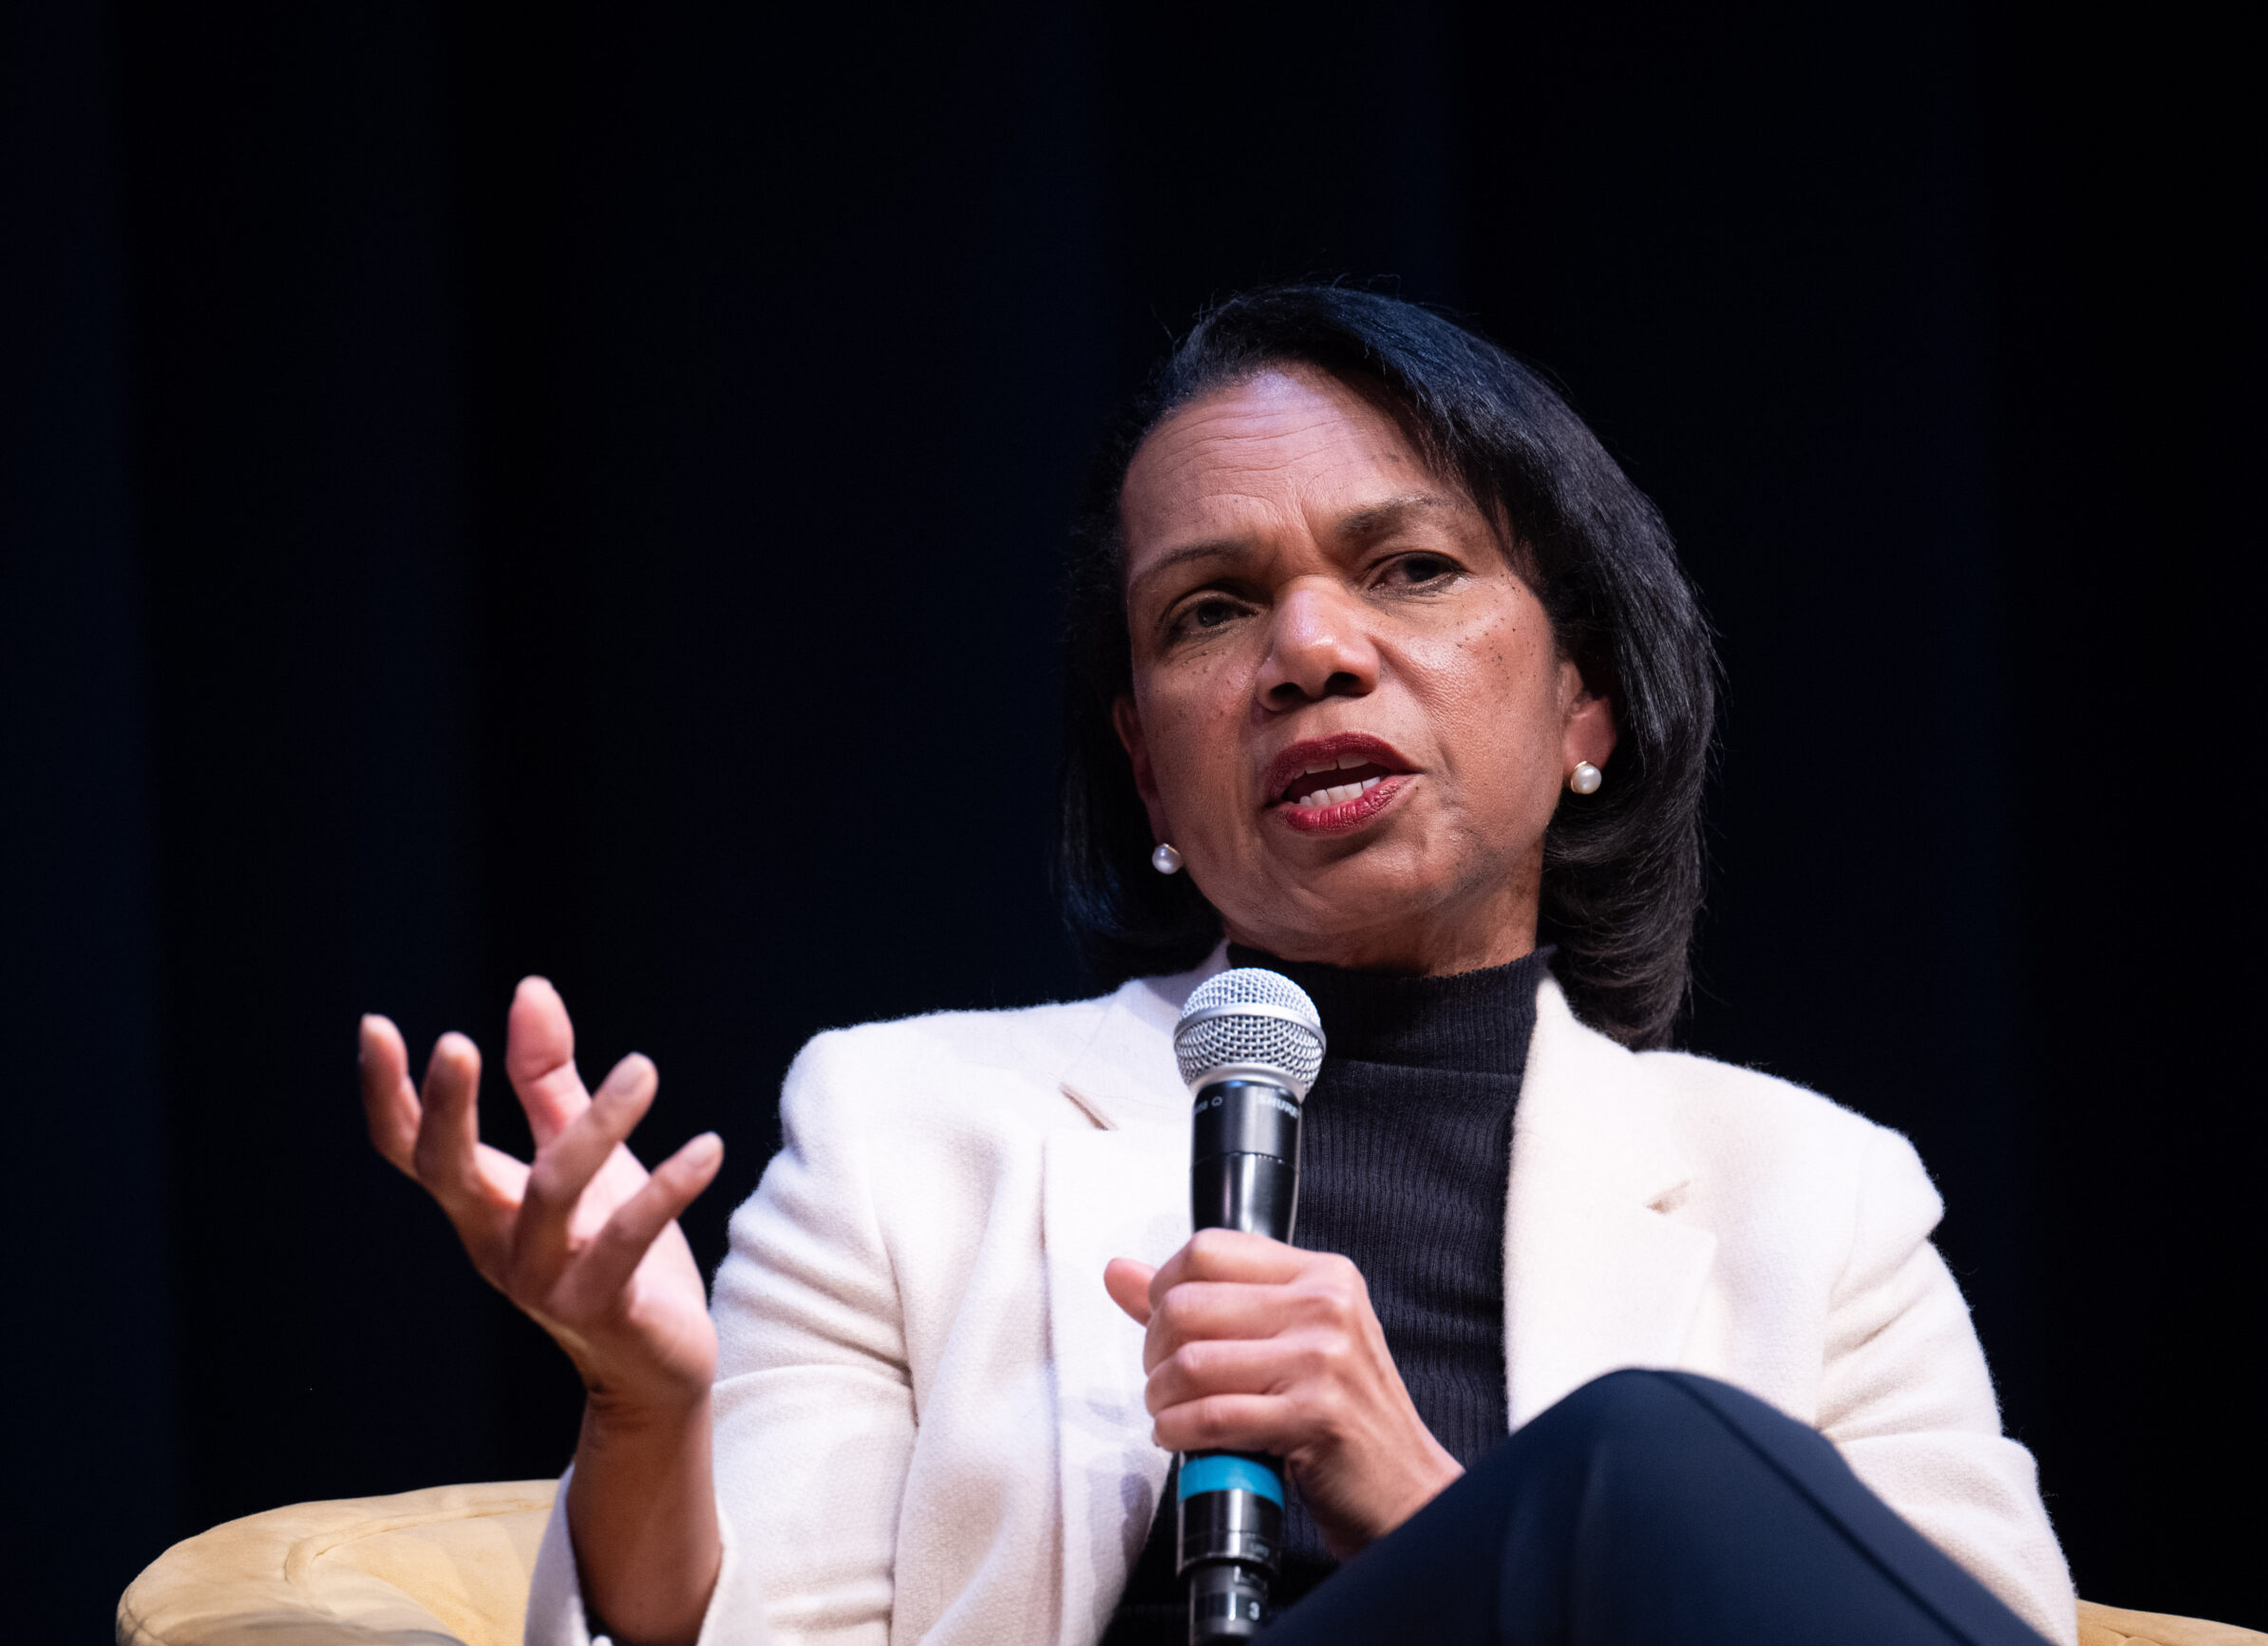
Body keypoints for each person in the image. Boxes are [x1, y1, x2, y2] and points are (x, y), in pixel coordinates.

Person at [360, 286, 2075, 1646]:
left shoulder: (1819, 1201)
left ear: (1588, 707)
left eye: (1409, 569)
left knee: (1647, 1457)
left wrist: (1414, 1489)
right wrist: (648, 1410)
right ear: (1151, 773)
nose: (1311, 653)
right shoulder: (901, 1129)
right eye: (1207, 612)